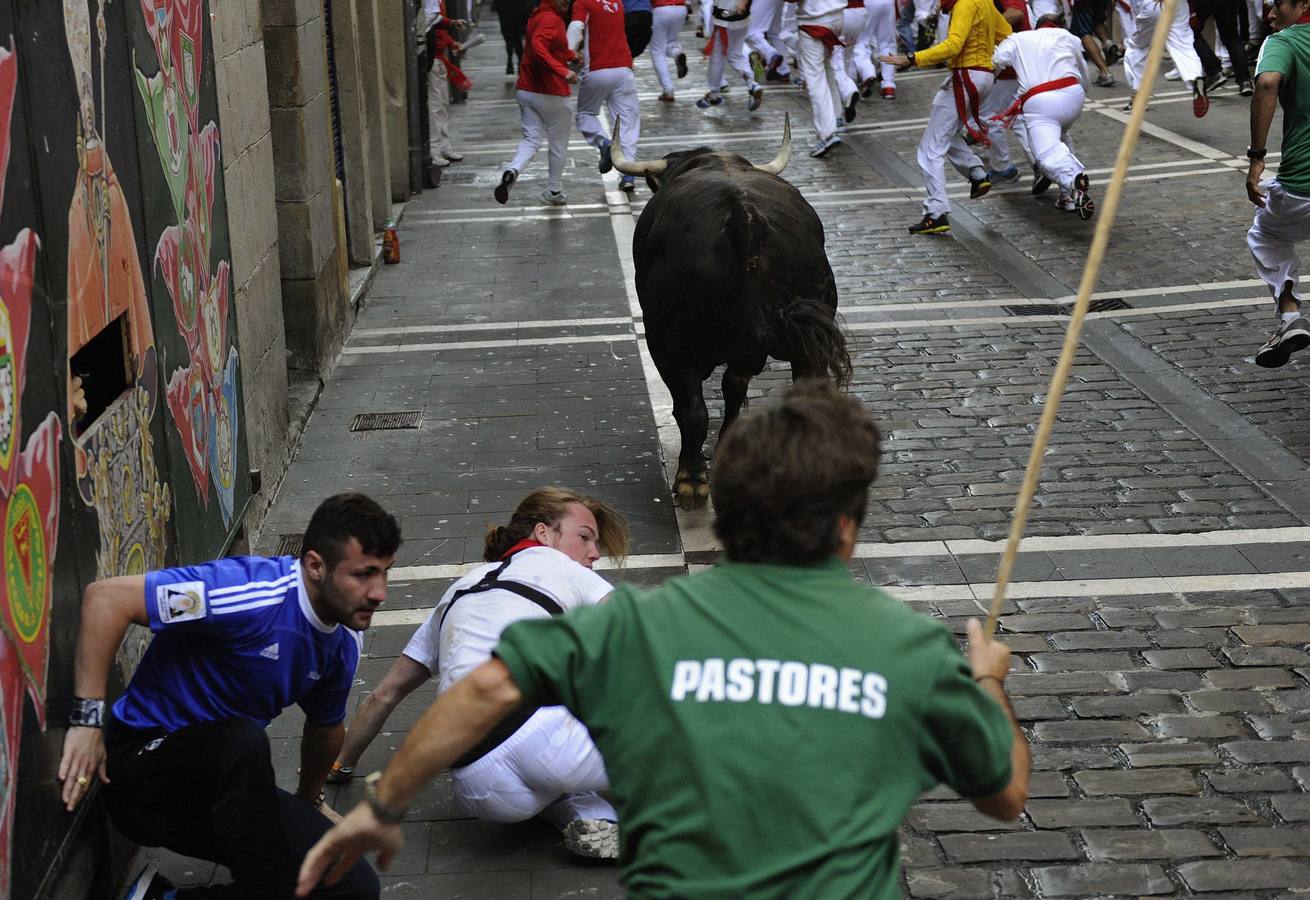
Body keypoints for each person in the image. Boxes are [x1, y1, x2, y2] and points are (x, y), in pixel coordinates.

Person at [296, 380, 1030, 899]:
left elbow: (485, 685)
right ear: (846, 528)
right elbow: (1004, 795)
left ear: (728, 519)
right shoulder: (910, 651)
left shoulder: (638, 626)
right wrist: (988, 677)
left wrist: (383, 804)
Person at [59, 493, 401, 900]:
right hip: (143, 774)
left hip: (226, 790)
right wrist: (86, 721)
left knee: (352, 885)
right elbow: (107, 599)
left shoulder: (344, 641)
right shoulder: (245, 593)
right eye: (363, 575)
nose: (379, 592)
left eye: (385, 573)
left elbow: (325, 728)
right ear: (314, 566)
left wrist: (308, 801)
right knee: (243, 743)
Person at [324, 488, 630, 859]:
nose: (594, 552)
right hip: (545, 741)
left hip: (479, 783)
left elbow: (383, 695)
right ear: (543, 534)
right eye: (585, 537)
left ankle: (592, 815)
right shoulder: (558, 564)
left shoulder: (459, 590)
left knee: (557, 771)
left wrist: (339, 765)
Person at [883, 0, 1013, 234]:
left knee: (930, 148)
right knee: (946, 130)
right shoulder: (983, 2)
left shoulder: (964, 4)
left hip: (967, 76)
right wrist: (991, 64)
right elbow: (1006, 33)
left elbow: (953, 45)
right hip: (980, 77)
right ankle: (976, 173)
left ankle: (936, 212)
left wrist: (912, 58)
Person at [1248, 0, 1310, 367]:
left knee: (1265, 235)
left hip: (1303, 183)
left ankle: (1290, 316)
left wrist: (1257, 158)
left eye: (1276, 5)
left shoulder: (1283, 42)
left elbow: (1267, 82)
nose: (1268, 15)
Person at [991, 14, 1095, 217]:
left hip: (1040, 103)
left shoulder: (1018, 39)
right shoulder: (1067, 36)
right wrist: (1080, 94)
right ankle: (1067, 197)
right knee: (1062, 137)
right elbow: (1084, 72)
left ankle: (1073, 178)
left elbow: (997, 60)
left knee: (1046, 153)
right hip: (1073, 95)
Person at [496, 0, 580, 206]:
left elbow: (549, 48)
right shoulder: (552, 19)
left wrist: (571, 55)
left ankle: (513, 169)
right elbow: (538, 48)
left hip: (526, 90)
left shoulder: (537, 16)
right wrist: (563, 71)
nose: (566, 2)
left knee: (531, 139)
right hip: (551, 92)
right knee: (558, 144)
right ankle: (554, 190)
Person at [571, 0, 645, 192]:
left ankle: (604, 143)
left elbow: (576, 27)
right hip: (623, 68)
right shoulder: (617, 2)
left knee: (585, 114)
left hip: (597, 69)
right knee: (627, 122)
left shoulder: (583, 2)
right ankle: (628, 174)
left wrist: (567, 54)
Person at [1122, 0, 1210, 115]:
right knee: (1183, 45)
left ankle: (1138, 97)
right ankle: (1195, 76)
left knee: (1138, 46)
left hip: (1155, 5)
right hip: (1179, 5)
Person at [791, 0, 851, 156]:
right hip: (837, 16)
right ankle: (836, 117)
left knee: (815, 79)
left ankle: (827, 133)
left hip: (814, 20)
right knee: (827, 68)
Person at [423, 0, 470, 187]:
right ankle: (435, 149)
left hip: (439, 56)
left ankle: (443, 145)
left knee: (442, 103)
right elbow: (429, 23)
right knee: (435, 104)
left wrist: (451, 32)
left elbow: (437, 24)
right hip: (433, 57)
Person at [699, 0, 767, 110]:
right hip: (741, 17)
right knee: (735, 55)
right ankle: (752, 84)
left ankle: (714, 94)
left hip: (725, 18)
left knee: (717, 56)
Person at [650, 0, 691, 99]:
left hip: (660, 9)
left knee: (658, 52)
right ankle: (677, 53)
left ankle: (668, 89)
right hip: (680, 8)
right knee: (671, 42)